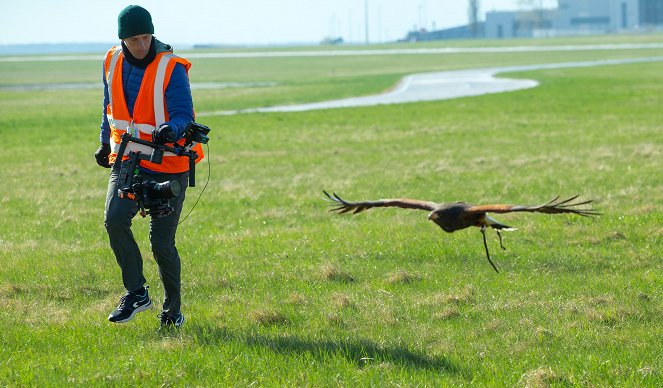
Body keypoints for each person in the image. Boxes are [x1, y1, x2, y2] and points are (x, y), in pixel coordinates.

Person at [94, 5, 203, 328]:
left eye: (145, 37)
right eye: (134, 39)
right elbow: (109, 107)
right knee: (114, 220)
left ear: (152, 34)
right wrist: (104, 142)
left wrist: (173, 128)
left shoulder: (172, 68)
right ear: (122, 39)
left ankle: (172, 311)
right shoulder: (112, 60)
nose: (141, 45)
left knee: (161, 243)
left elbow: (185, 114)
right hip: (128, 158)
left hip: (169, 164)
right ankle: (136, 292)